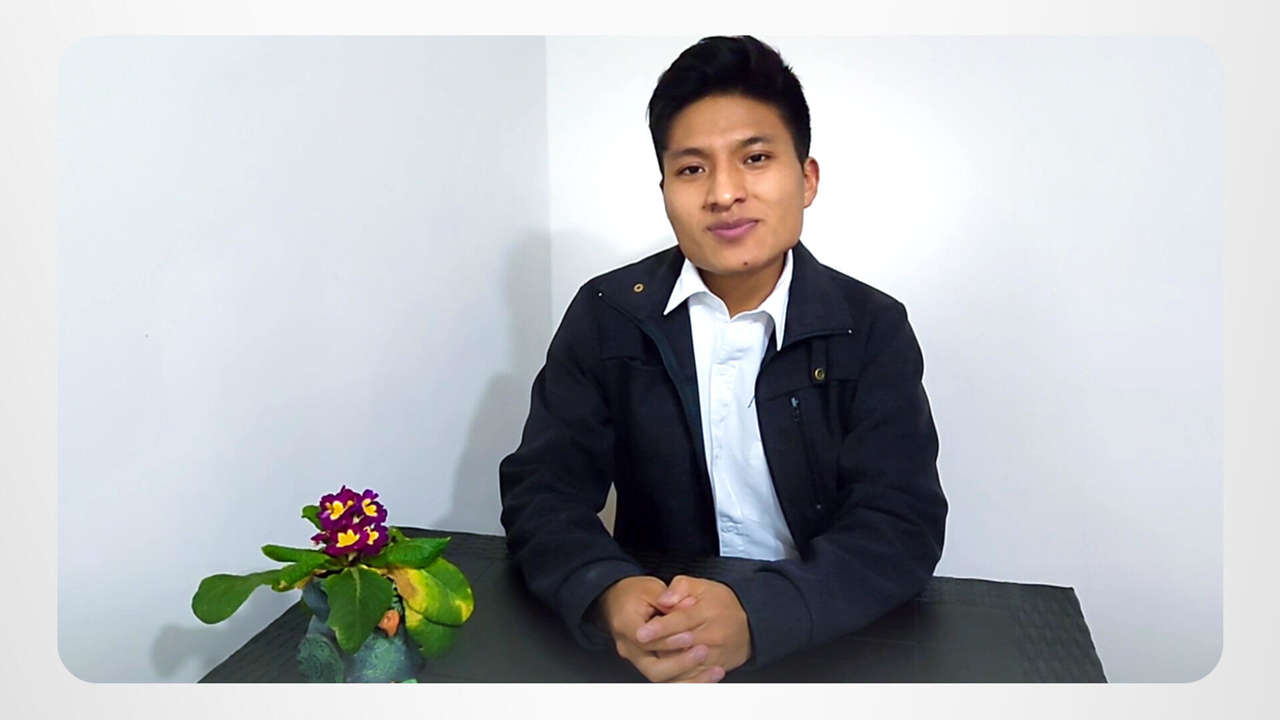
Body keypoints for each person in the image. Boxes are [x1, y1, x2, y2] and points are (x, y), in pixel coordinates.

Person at [499, 35, 947, 683]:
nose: (724, 193)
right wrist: (606, 590)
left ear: (807, 178)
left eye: (755, 158)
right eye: (692, 169)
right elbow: (543, 492)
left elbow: (899, 524)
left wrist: (761, 614)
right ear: (664, 188)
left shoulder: (870, 327)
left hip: (827, 634)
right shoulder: (608, 314)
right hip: (660, 635)